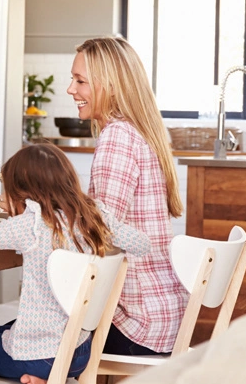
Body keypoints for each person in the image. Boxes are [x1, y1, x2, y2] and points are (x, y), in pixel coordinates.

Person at [0, 144, 150, 384]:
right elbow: (142, 243)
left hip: (39, 354)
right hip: (79, 351)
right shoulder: (95, 215)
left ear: (24, 192)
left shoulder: (32, 225)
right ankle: (41, 378)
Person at [67, 36, 188, 357]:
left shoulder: (117, 138)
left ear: (110, 85)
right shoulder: (139, 131)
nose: (71, 90)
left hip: (133, 322)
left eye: (80, 81)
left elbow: (101, 234)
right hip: (163, 316)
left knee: (6, 340)